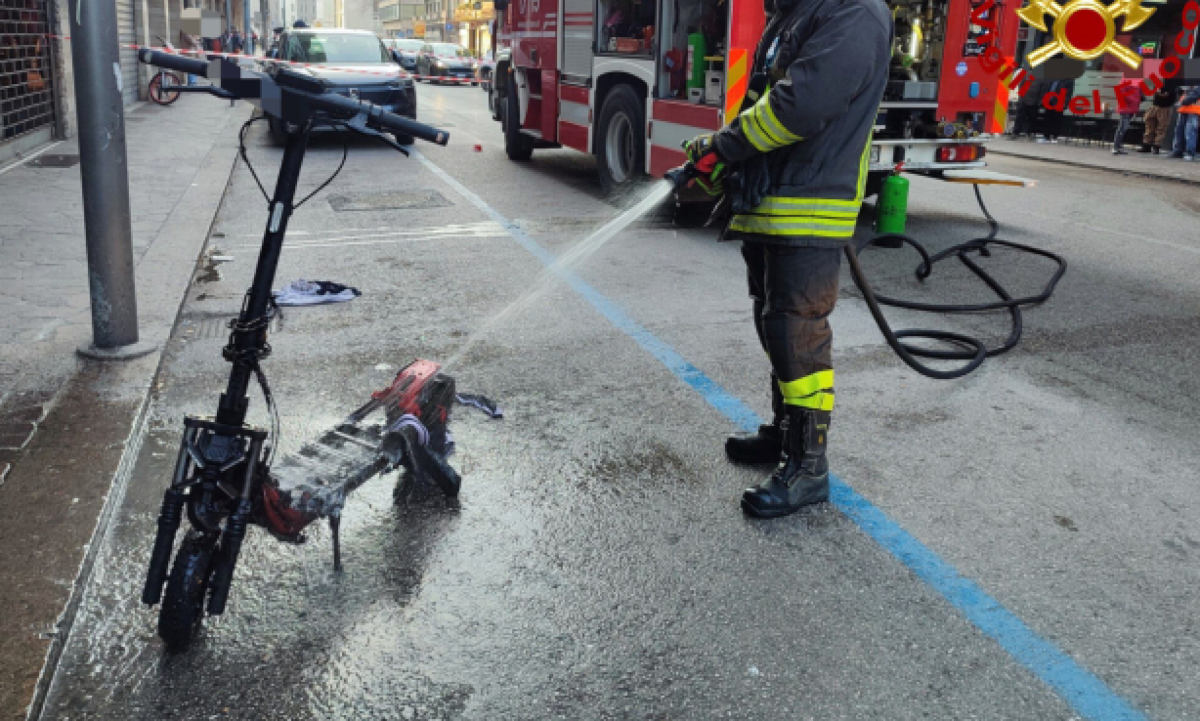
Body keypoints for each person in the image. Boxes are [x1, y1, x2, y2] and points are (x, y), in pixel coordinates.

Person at [682, 0, 891, 518]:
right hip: (771, 200)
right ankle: (783, 435)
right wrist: (732, 164)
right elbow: (762, 95)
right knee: (775, 323)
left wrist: (725, 147)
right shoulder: (796, 11)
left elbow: (801, 104)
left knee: (799, 332)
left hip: (811, 202)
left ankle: (807, 466)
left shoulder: (856, 12)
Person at [1139, 84, 1174, 154]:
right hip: (1156, 106)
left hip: (1164, 108)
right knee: (1150, 126)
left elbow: (1168, 96)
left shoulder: (1171, 87)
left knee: (1161, 128)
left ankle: (1155, 146)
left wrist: (1159, 93)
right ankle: (1148, 145)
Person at [1168, 85, 1200, 161]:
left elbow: (1195, 95)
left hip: (1193, 111)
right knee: (1180, 132)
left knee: (1189, 133)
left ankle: (1189, 152)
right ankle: (1178, 151)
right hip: (1184, 110)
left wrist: (1183, 101)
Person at [1038, 78, 1073, 143]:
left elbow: (1069, 93)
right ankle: (1046, 136)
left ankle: (1054, 137)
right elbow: (1046, 88)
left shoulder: (1068, 80)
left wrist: (1065, 103)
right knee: (1047, 119)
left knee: (1057, 120)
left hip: (1059, 102)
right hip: (1049, 101)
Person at [1112, 80, 1140, 155]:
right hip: (1126, 108)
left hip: (1131, 108)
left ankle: (1118, 147)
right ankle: (1116, 147)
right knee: (1122, 128)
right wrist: (1133, 99)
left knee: (1124, 128)